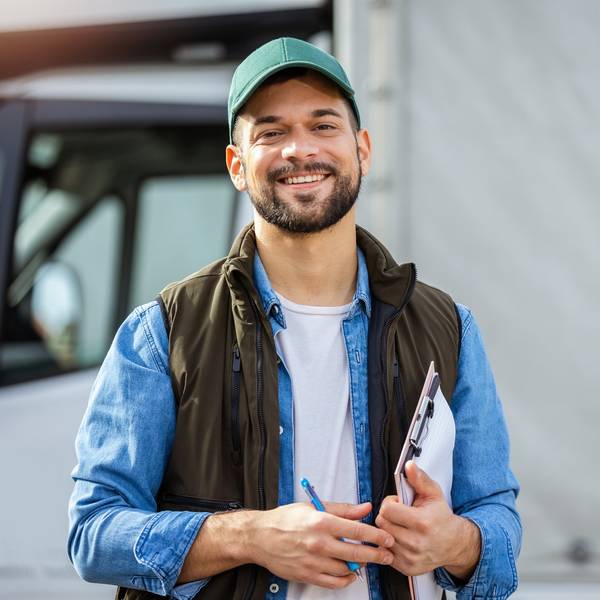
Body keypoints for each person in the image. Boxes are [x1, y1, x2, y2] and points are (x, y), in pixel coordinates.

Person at [68, 37, 521, 600]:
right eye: (271, 132)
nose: (299, 150)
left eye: (323, 125)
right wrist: (251, 536)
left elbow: (497, 527)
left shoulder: (449, 327)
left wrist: (454, 543)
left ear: (363, 150)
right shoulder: (162, 332)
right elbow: (93, 534)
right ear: (237, 166)